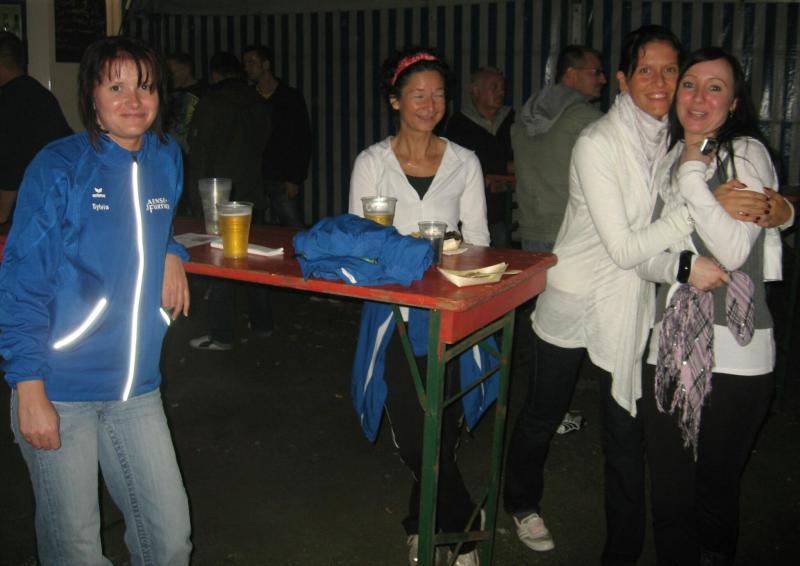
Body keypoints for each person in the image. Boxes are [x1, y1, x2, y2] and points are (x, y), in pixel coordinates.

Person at [0, 36, 192, 565]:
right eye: (117, 87)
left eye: (146, 87)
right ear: (91, 96)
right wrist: (28, 387)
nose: (134, 100)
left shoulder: (167, 156)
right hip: (60, 388)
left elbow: (153, 222)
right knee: (76, 551)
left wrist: (172, 250)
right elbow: (22, 279)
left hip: (137, 388)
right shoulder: (60, 165)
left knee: (170, 542)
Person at [638, 47, 790, 566]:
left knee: (715, 489)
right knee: (669, 491)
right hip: (668, 345)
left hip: (737, 351)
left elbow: (733, 251)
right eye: (690, 83)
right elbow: (643, 255)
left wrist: (692, 178)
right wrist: (682, 267)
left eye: (716, 87)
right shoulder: (665, 160)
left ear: (734, 102)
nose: (699, 96)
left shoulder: (744, 153)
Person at [348, 46, 493, 566]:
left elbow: (479, 241)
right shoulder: (373, 163)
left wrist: (451, 250)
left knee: (443, 429)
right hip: (394, 314)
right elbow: (359, 243)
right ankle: (466, 526)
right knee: (414, 436)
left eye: (437, 94)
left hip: (450, 311)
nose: (429, 104)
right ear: (395, 101)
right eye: (417, 94)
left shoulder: (464, 162)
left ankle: (421, 525)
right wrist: (407, 251)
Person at [186, 51, 273, 350]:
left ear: (215, 74)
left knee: (220, 263)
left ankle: (222, 334)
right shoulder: (257, 102)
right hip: (252, 192)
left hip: (219, 197)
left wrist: (196, 200)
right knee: (255, 260)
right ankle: (262, 323)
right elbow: (264, 141)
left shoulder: (211, 104)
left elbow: (199, 152)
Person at [514, 44, 605, 253]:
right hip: (573, 231)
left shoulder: (524, 114)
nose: (603, 79)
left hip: (530, 230)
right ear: (571, 74)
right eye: (596, 72)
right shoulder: (587, 119)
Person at [0, 30, 71, 225]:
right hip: (58, 202)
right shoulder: (40, 94)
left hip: (30, 211)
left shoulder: (10, 101)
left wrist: (2, 214)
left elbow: (10, 165)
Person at [444, 67, 514, 246]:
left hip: (502, 209)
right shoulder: (459, 124)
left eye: (502, 87)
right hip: (468, 213)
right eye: (494, 87)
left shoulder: (511, 120)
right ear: (475, 91)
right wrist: (504, 167)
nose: (501, 92)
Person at [243, 45, 311, 227]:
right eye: (245, 64)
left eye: (251, 62)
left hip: (281, 175)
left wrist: (294, 178)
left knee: (292, 225)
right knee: (252, 228)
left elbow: (302, 139)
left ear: (266, 64)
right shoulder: (248, 98)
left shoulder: (289, 97)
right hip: (254, 176)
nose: (247, 68)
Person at [164, 51, 205, 154]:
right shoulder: (169, 95)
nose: (169, 77)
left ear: (185, 69)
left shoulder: (205, 94)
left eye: (171, 73)